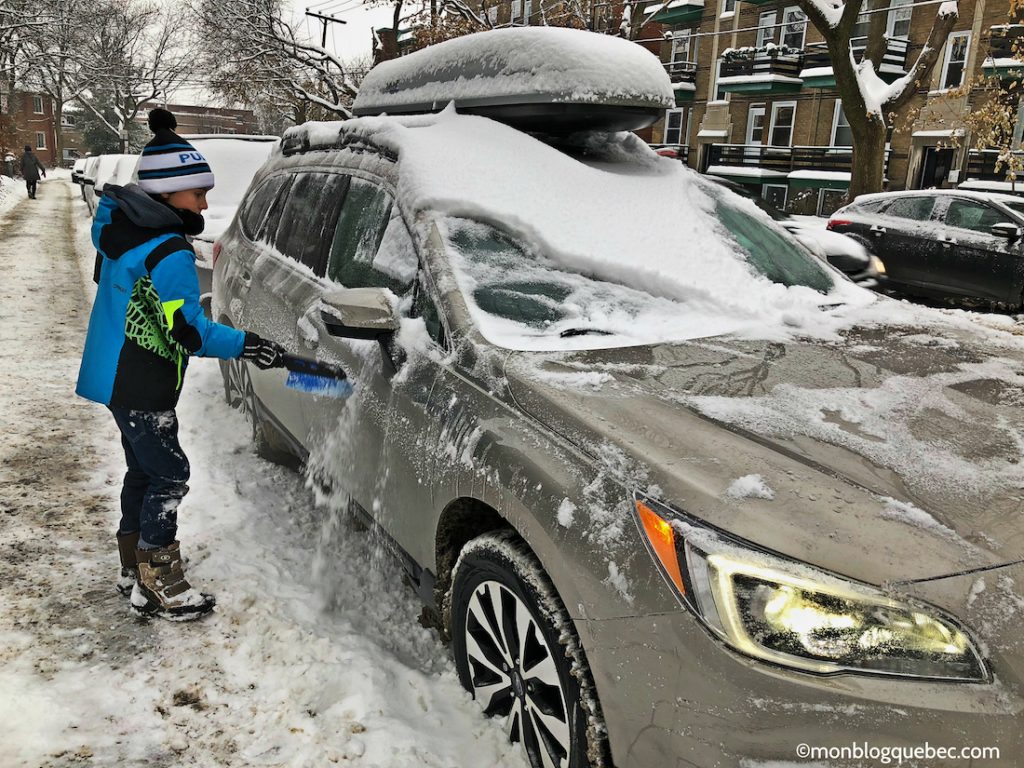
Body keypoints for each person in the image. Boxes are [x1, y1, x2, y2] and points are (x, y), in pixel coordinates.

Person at [76, 108, 287, 621]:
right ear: (169, 193)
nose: (205, 203)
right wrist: (248, 344)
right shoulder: (168, 251)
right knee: (170, 474)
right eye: (198, 194)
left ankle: (134, 565)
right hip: (141, 380)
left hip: (112, 373)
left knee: (143, 470)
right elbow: (188, 331)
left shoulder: (124, 232)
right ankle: (159, 581)